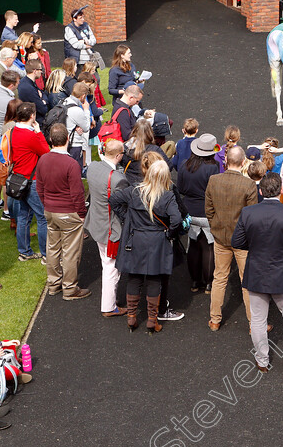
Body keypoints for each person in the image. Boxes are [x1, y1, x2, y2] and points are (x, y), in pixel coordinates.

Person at [231, 172, 283, 377]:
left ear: (260, 191)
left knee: (258, 320)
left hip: (256, 273)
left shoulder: (248, 213)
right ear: (281, 190)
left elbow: (236, 242)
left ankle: (262, 361)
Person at [110, 160, 182, 334]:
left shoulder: (134, 191)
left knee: (134, 278)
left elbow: (113, 200)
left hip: (135, 239)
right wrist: (169, 234)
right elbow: (177, 219)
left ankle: (132, 317)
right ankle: (152, 320)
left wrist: (126, 218)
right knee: (154, 280)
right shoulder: (167, 195)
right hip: (157, 241)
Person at [204, 146, 258, 331]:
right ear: (243, 162)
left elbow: (209, 210)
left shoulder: (213, 180)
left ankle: (215, 320)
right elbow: (252, 216)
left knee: (219, 278)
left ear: (226, 161)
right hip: (242, 241)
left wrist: (216, 227)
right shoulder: (249, 185)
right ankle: (254, 323)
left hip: (220, 237)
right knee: (247, 282)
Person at [35, 123, 91, 301]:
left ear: (50, 140)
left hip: (50, 211)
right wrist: (82, 214)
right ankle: (69, 288)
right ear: (68, 139)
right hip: (68, 213)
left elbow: (39, 187)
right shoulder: (71, 164)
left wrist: (47, 204)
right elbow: (77, 193)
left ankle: (53, 285)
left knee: (52, 249)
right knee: (70, 252)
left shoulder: (43, 159)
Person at [85, 139, 129, 317]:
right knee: (111, 268)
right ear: (119, 156)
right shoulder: (118, 179)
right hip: (110, 230)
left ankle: (110, 301)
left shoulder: (93, 167)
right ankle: (109, 306)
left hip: (96, 223)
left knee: (107, 263)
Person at [178, 134, 220, 295]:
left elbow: (180, 189)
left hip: (189, 211)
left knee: (193, 245)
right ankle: (209, 283)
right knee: (208, 247)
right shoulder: (213, 167)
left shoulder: (184, 165)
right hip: (207, 212)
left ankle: (195, 281)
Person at [10, 102, 50, 262]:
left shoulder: (13, 130)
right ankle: (47, 255)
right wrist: (39, 132)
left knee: (23, 217)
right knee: (42, 217)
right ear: (32, 116)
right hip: (31, 181)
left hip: (18, 179)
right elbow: (46, 152)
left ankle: (25, 252)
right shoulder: (30, 135)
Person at [0, 70, 20, 215]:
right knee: (7, 176)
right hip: (4, 142)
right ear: (12, 85)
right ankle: (7, 210)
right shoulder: (9, 101)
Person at [121, 119, 170, 185]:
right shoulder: (154, 150)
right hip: (147, 184)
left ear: (134, 130)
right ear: (150, 132)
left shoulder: (125, 147)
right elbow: (168, 166)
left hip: (128, 183)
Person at [60, 82, 93, 166]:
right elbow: (86, 127)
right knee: (75, 170)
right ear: (83, 96)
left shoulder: (64, 101)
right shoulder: (76, 110)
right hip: (74, 144)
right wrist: (86, 110)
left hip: (63, 141)